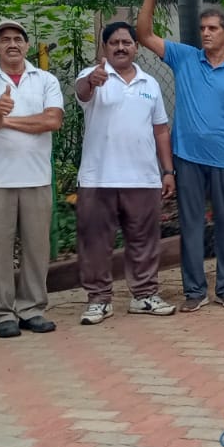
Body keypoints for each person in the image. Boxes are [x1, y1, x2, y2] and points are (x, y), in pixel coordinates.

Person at [136, 0, 224, 312]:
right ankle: (194, 291)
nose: (205, 33)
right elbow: (144, 35)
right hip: (188, 158)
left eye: (212, 28)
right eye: (203, 28)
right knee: (191, 225)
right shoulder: (184, 57)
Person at [75, 21, 177, 325]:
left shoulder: (150, 84)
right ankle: (98, 300)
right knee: (95, 242)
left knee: (144, 240)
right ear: (105, 47)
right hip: (98, 178)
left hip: (143, 178)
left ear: (136, 47)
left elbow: (161, 131)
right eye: (114, 43)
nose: (121, 47)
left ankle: (144, 296)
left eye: (126, 42)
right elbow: (82, 93)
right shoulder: (92, 76)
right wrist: (92, 81)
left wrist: (167, 171)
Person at [0, 19, 64, 338]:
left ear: (27, 45)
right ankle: (2, 314)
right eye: (5, 39)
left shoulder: (45, 79)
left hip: (37, 177)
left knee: (37, 249)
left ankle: (32, 309)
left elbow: (53, 121)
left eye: (18, 39)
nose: (12, 44)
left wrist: (7, 119)